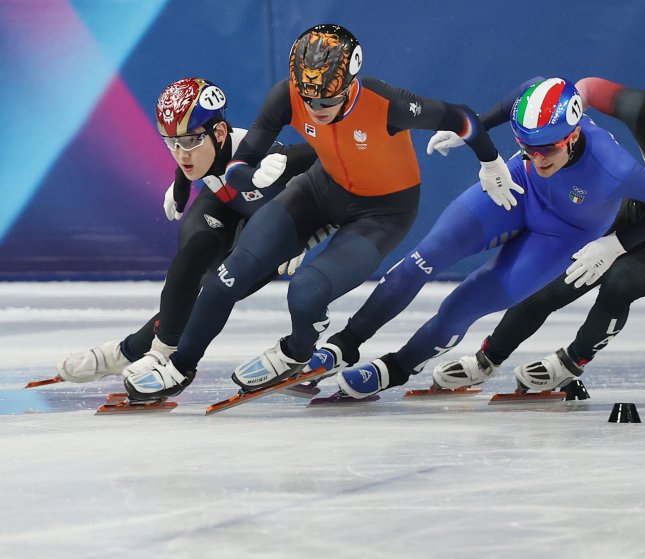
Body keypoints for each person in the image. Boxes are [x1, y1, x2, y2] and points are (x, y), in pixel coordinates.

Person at [123, 23, 520, 401]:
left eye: (327, 101)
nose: (315, 109)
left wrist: (490, 162)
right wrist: (249, 174)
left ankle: (296, 351)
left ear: (350, 85)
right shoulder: (287, 94)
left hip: (383, 212)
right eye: (308, 99)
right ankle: (180, 366)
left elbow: (462, 116)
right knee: (229, 275)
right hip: (320, 188)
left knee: (306, 289)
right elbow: (245, 155)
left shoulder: (386, 103)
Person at [432, 45, 645, 395]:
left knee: (620, 282)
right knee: (552, 274)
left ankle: (572, 361)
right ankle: (487, 359)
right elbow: (589, 88)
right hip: (643, 210)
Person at [332, 75, 645, 399]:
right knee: (423, 258)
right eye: (527, 147)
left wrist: (615, 244)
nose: (538, 158)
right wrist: (474, 129)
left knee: (464, 304)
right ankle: (344, 344)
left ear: (572, 136)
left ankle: (397, 368)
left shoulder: (615, 169)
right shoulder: (536, 114)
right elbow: (524, 92)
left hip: (563, 234)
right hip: (516, 188)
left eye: (548, 149)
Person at [56, 77, 319, 385]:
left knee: (213, 293)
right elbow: (188, 155)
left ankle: (127, 352)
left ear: (220, 133)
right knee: (193, 255)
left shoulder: (262, 156)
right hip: (221, 203)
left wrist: (303, 234)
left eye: (191, 141)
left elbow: (325, 159)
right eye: (171, 142)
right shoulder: (195, 151)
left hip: (273, 221)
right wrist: (180, 185)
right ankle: (155, 352)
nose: (181, 155)